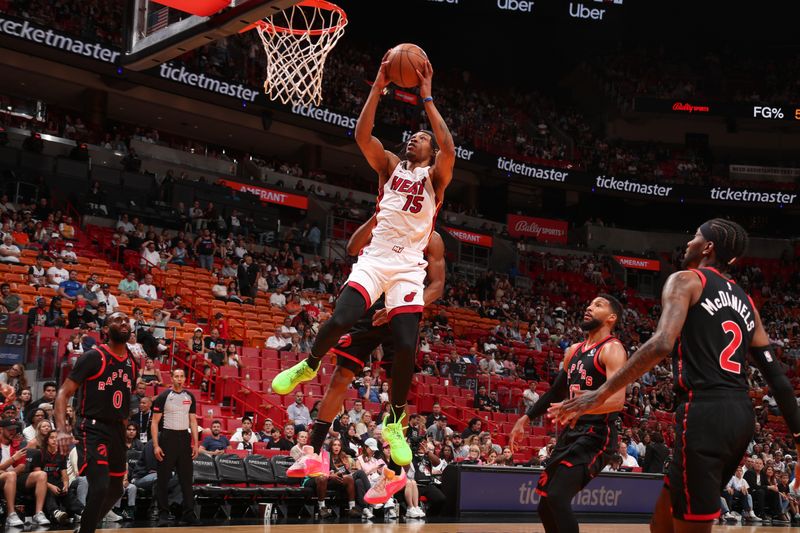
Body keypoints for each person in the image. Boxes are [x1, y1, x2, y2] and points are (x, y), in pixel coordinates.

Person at [271, 56, 455, 472]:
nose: (415, 138)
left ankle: (396, 420)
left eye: (422, 137)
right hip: (375, 260)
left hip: (408, 268)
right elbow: (362, 135)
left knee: (407, 345)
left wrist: (426, 98)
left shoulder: (436, 178)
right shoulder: (389, 166)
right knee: (340, 319)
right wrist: (377, 87)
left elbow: (449, 147)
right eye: (413, 135)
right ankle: (308, 364)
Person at [556, 219, 800, 533]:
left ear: (708, 248)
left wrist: (600, 392)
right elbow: (777, 378)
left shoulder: (686, 280)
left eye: (696, 237)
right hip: (741, 419)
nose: (689, 242)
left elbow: (661, 343)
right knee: (661, 522)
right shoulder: (747, 302)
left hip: (703, 414)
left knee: (691, 526)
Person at [283, 217, 446, 498]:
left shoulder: (431, 237)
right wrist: (377, 216)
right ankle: (313, 450)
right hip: (369, 305)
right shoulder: (386, 220)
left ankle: (394, 474)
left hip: (402, 307)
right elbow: (351, 247)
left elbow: (437, 285)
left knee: (398, 390)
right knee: (342, 375)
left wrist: (404, 304)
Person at [509, 294, 627, 533]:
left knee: (557, 496)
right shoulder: (573, 351)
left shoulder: (613, 349)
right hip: (571, 434)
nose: (589, 306)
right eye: (590, 302)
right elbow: (555, 392)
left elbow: (617, 401)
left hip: (598, 435)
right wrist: (526, 418)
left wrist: (577, 406)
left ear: (611, 318)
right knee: (545, 505)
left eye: (598, 305)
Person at [55, 312, 136, 533]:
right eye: (117, 321)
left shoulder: (132, 361)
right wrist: (62, 430)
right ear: (105, 330)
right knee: (100, 486)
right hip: (92, 427)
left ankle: (85, 528)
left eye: (126, 321)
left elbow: (125, 402)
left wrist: (124, 433)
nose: (124, 323)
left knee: (117, 490)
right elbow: (63, 393)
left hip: (117, 429)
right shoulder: (94, 356)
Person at [150, 368, 197, 525]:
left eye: (181, 376)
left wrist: (196, 444)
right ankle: (163, 514)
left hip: (184, 438)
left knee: (186, 479)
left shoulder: (189, 396)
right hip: (167, 438)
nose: (179, 379)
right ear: (171, 378)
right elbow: (155, 423)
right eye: (176, 376)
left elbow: (193, 421)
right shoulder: (163, 396)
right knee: (163, 479)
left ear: (184, 379)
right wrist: (156, 445)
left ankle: (189, 514)